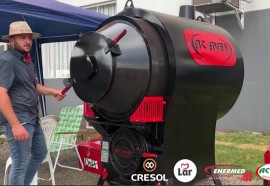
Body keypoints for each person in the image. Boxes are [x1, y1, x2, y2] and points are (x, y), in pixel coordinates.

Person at [0, 21, 66, 185]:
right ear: (12, 41)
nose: (28, 41)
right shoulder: (7, 60)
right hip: (20, 120)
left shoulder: (27, 61)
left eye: (29, 37)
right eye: (22, 37)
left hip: (32, 118)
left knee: (40, 152)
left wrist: (52, 92)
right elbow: (1, 93)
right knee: (20, 164)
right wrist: (15, 125)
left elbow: (34, 86)